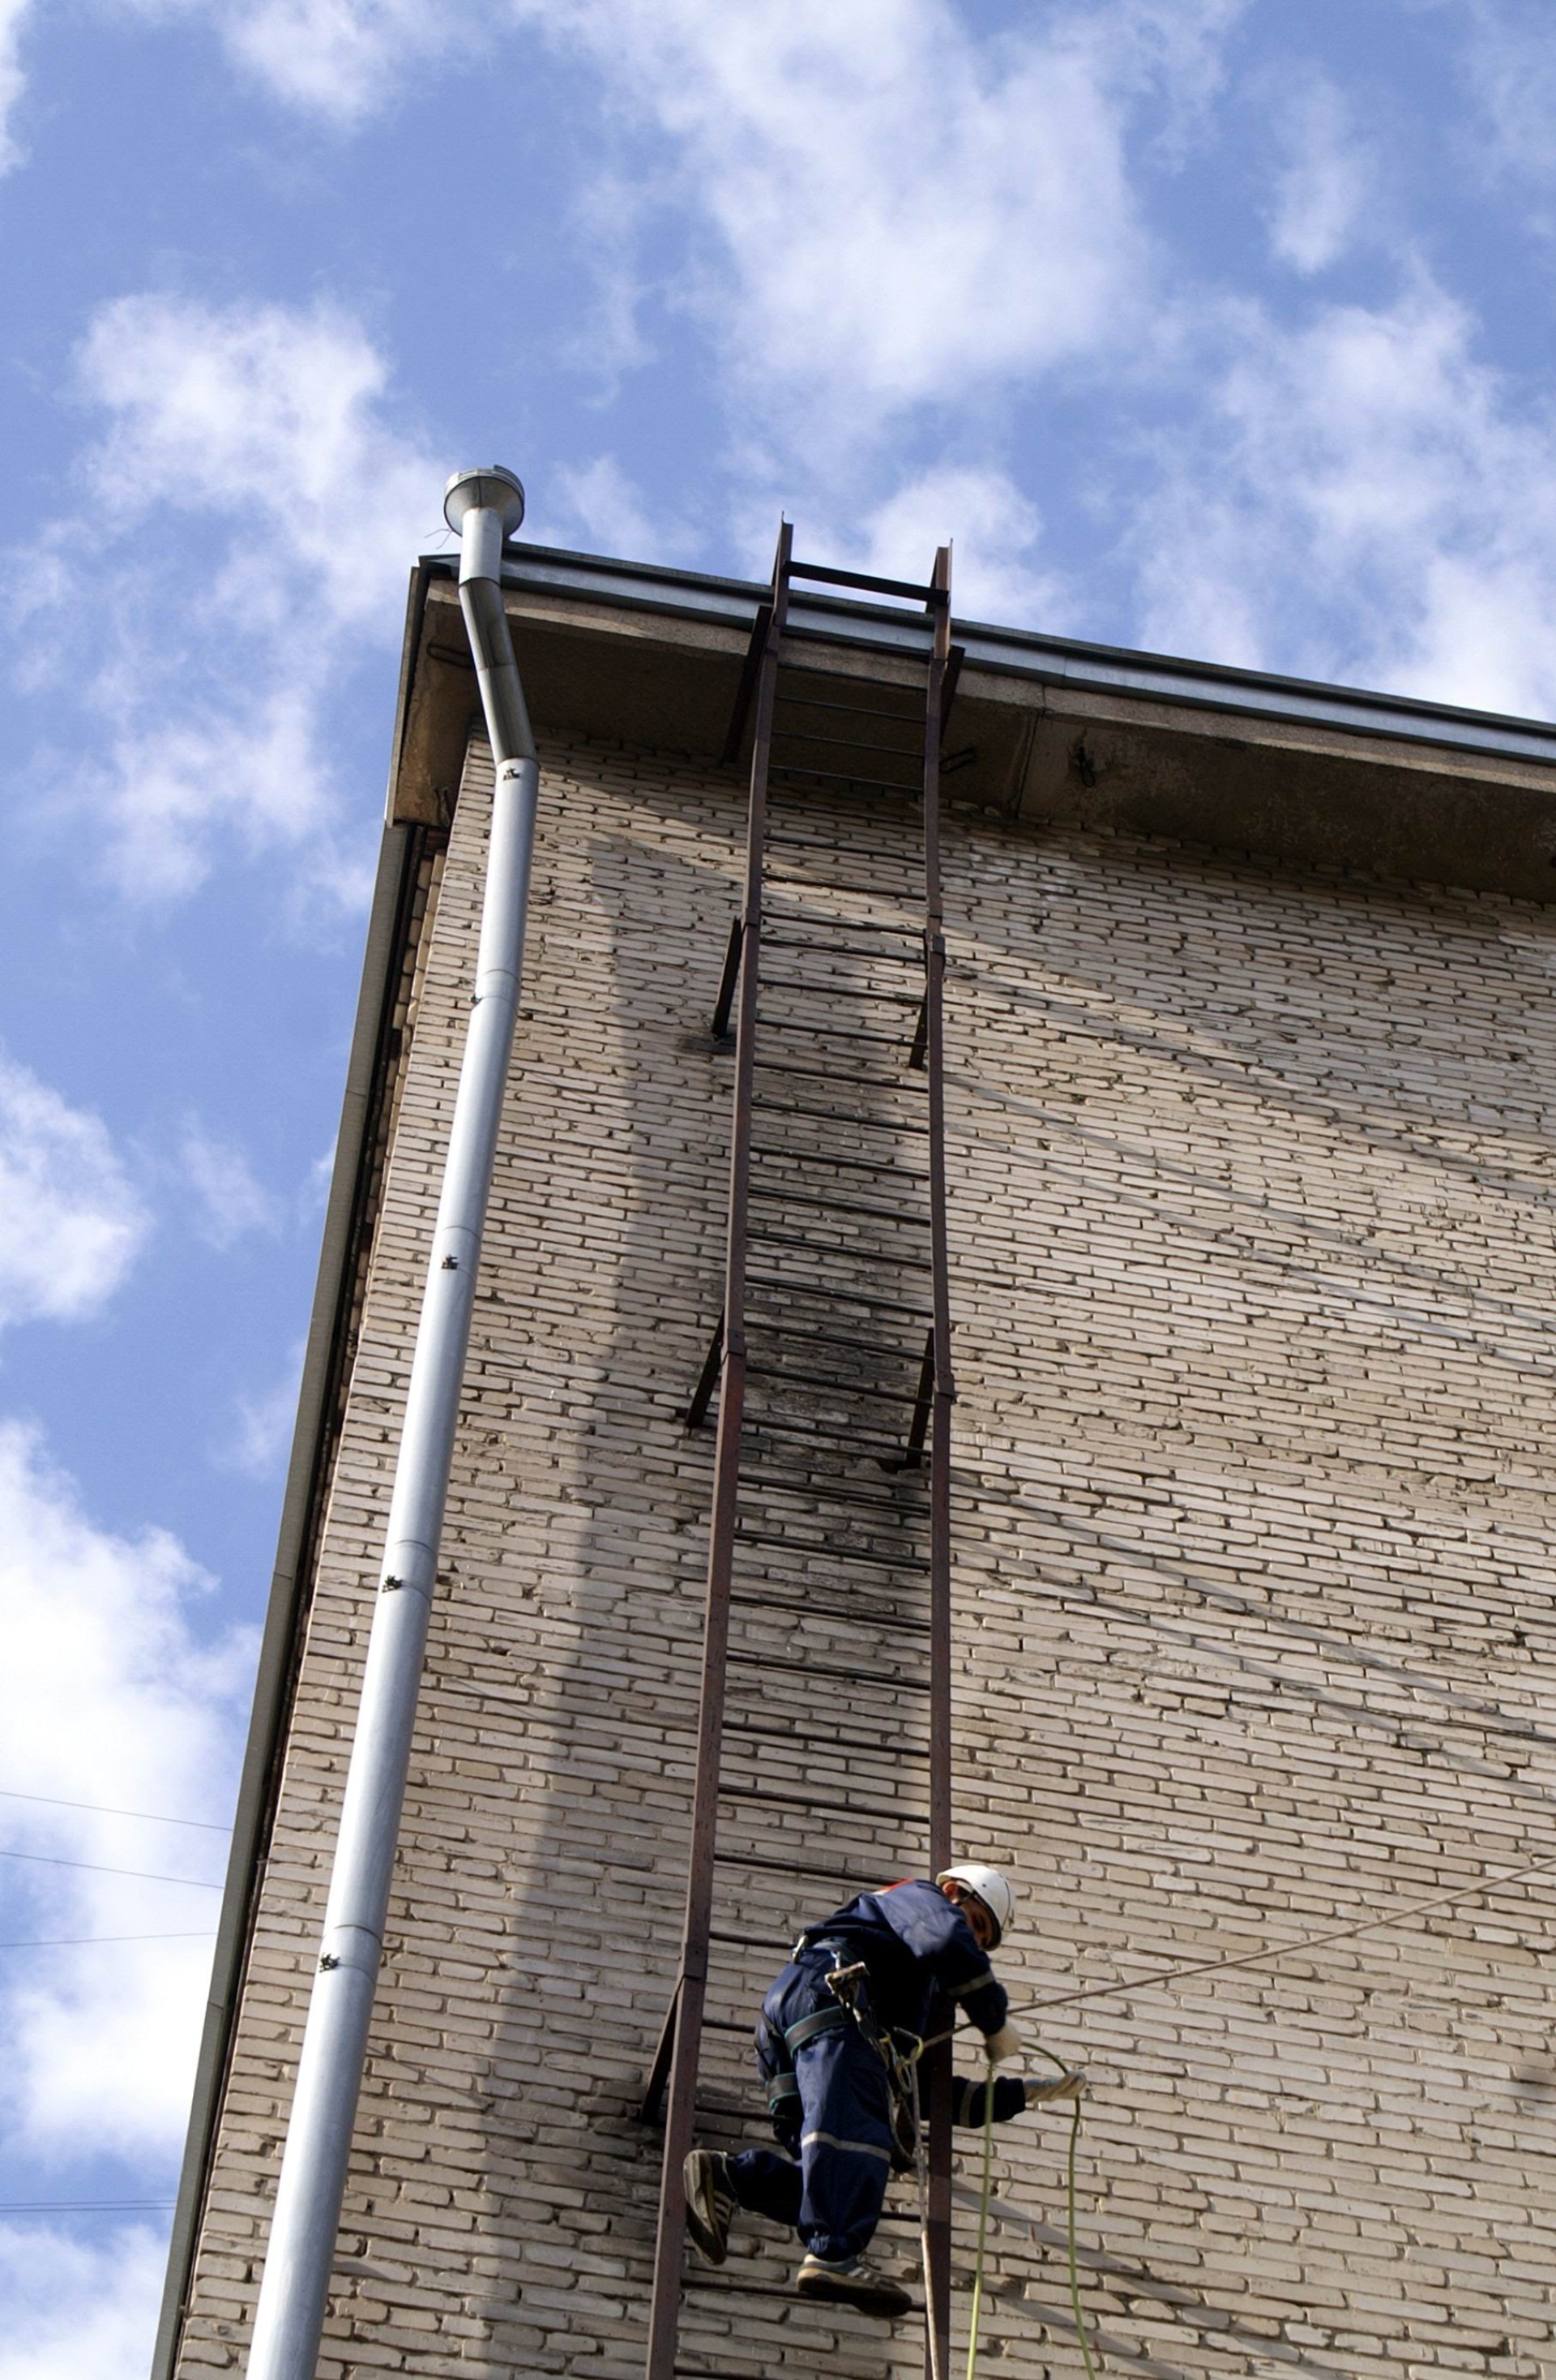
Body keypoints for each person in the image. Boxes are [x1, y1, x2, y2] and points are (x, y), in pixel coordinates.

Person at [683, 1861, 1057, 2316]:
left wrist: (1021, 2095)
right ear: (954, 1893)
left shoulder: (912, 1985)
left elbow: (923, 2091)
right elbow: (946, 1940)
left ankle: (729, 2177)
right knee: (859, 2136)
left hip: (799, 2024)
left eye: (983, 1939)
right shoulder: (923, 1900)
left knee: (827, 2171)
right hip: (833, 1999)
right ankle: (833, 2255)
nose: (974, 1940)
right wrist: (993, 2018)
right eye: (976, 1924)